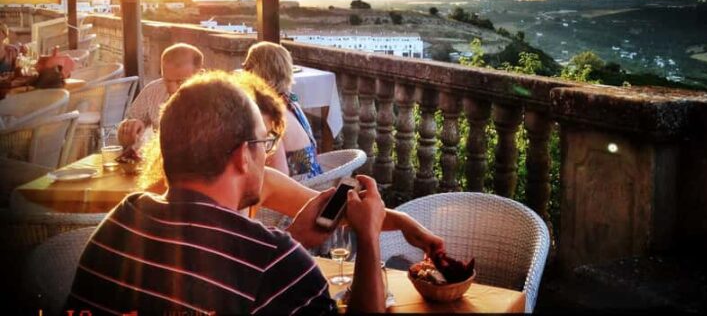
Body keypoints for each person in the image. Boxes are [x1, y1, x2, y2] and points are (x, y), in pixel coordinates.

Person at [67, 71, 388, 314]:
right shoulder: (277, 262)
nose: (266, 156)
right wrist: (369, 239)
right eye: (264, 143)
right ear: (241, 156)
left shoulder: (122, 220)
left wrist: (293, 239)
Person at [137, 70, 445, 255]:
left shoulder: (263, 182)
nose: (266, 152)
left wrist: (403, 222)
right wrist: (290, 244)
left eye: (269, 139)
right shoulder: (159, 204)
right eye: (261, 141)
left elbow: (335, 211)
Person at [243, 41, 322, 178]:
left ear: (254, 71)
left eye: (246, 66)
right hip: (315, 180)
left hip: (299, 187)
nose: (243, 71)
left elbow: (279, 174)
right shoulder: (290, 102)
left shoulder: (268, 116)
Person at [116, 42, 203, 148]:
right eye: (167, 80)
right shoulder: (153, 90)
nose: (172, 89)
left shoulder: (211, 101)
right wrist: (129, 129)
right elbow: (129, 122)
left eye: (180, 81)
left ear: (200, 75)